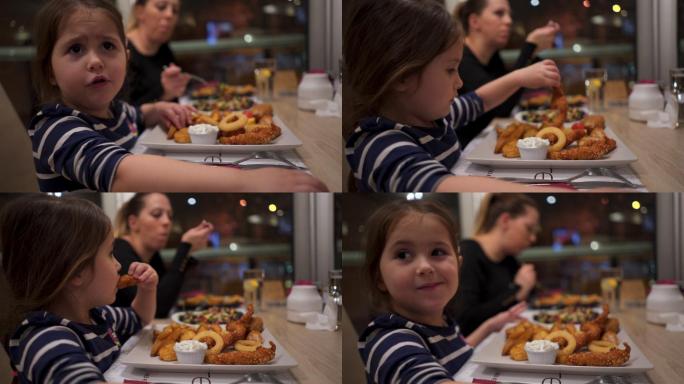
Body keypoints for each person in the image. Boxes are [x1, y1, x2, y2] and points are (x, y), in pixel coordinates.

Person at [28, 0, 327, 192]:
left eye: (107, 46)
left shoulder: (116, 110)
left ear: (126, 57)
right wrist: (247, 181)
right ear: (50, 71)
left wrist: (155, 109)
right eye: (75, 49)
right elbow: (119, 173)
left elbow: (138, 114)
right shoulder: (55, 129)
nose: (95, 60)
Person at [344, 0, 562, 192]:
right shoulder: (382, 147)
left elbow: (480, 101)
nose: (459, 82)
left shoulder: (435, 117)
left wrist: (519, 78)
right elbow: (439, 184)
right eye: (450, 70)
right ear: (403, 78)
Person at [358, 199, 526, 384]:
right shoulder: (391, 341)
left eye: (437, 252)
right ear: (379, 277)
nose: (425, 267)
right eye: (403, 255)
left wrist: (489, 326)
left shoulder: (443, 323)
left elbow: (457, 355)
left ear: (458, 264)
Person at [0, 195, 158, 383]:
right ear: (76, 272)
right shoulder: (47, 340)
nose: (117, 265)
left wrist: (147, 289)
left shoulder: (99, 315)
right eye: (110, 254)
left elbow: (139, 318)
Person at [454, 0, 560, 147]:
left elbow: (507, 99)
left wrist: (533, 51)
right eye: (499, 13)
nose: (509, 21)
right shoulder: (460, 59)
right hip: (468, 152)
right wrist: (528, 48)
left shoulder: (493, 57)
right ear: (474, 21)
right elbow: (501, 108)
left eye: (509, 15)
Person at [446, 193, 539, 336]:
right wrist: (516, 292)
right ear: (505, 221)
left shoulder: (509, 259)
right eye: (528, 228)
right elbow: (465, 320)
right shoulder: (467, 255)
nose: (533, 238)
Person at [113, 193, 212, 318]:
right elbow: (158, 309)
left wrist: (187, 252)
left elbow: (167, 294)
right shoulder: (118, 252)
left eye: (170, 216)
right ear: (133, 222)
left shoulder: (153, 255)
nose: (167, 222)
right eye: (156, 214)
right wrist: (184, 249)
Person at [126, 0, 190, 105]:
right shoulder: (122, 52)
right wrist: (164, 94)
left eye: (175, 10)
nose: (169, 15)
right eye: (161, 7)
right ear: (139, 11)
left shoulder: (164, 49)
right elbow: (120, 114)